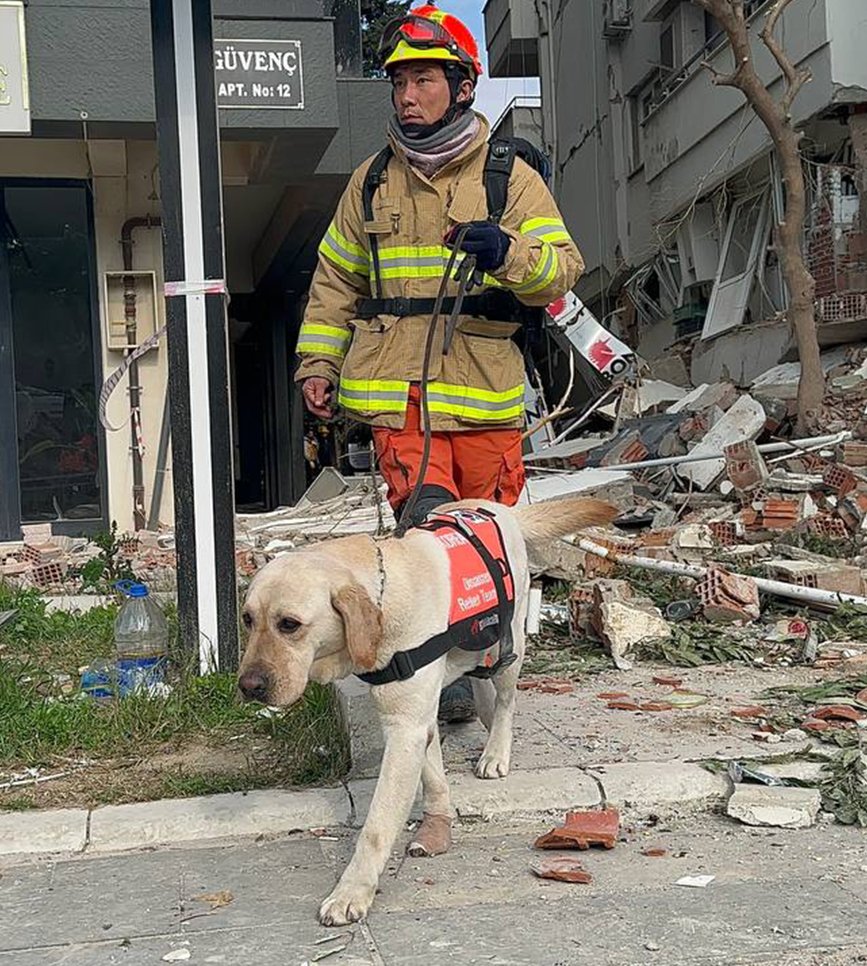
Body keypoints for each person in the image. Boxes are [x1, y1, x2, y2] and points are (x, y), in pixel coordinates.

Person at [295, 4, 583, 722]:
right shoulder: (368, 182)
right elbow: (335, 284)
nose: (405, 96)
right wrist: (316, 365)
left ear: (461, 87)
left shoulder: (509, 177)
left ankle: (493, 658)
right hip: (401, 405)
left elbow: (561, 272)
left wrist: (508, 252)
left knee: (489, 541)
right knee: (423, 543)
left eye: (422, 80)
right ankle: (446, 673)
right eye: (398, 83)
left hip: (483, 399)